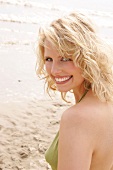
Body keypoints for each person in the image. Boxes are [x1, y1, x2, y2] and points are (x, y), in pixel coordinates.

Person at [36, 11, 113, 170]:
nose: (54, 70)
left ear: (86, 58)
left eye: (65, 58)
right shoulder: (108, 99)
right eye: (49, 59)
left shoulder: (77, 118)